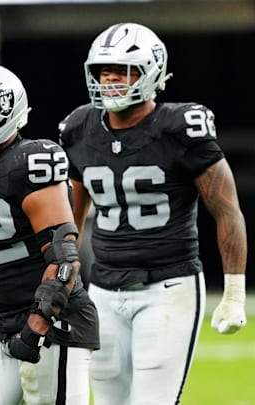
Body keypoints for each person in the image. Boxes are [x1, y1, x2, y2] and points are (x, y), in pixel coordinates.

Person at [58, 22, 248, 405]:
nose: (110, 79)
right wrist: (62, 280)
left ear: (152, 72)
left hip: (168, 287)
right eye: (102, 71)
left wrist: (233, 292)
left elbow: (227, 210)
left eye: (122, 71)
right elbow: (69, 218)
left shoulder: (180, 127)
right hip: (104, 288)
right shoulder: (79, 127)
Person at [0, 64, 99, 404]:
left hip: (55, 323)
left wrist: (37, 327)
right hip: (4, 323)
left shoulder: (30, 163)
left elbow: (65, 259)